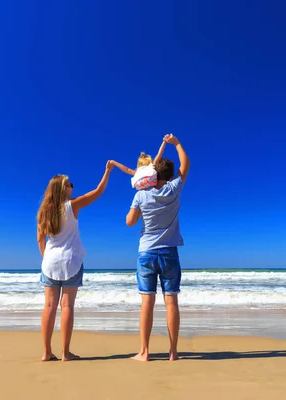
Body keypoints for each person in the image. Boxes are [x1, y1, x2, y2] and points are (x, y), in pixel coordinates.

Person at [36, 161, 114, 361]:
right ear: (63, 189)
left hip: (50, 261)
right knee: (67, 306)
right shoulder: (72, 206)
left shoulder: (43, 212)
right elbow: (98, 191)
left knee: (49, 307)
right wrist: (107, 171)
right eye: (70, 184)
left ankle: (46, 352)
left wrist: (46, 257)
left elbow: (40, 239)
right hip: (71, 260)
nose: (73, 186)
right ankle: (65, 353)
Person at [126, 133, 190, 362]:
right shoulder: (174, 189)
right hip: (170, 252)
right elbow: (186, 164)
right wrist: (177, 143)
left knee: (147, 302)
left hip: (146, 253)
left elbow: (130, 222)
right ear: (170, 175)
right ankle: (173, 352)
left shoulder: (141, 195)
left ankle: (144, 351)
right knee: (171, 301)